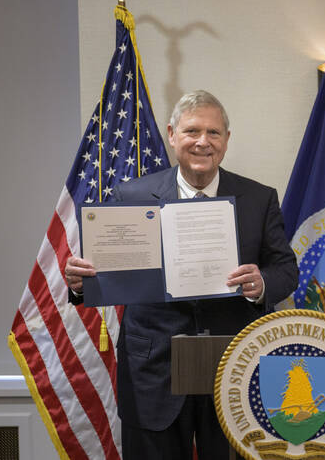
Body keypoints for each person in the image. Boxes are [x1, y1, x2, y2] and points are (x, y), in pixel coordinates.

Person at [64, 90, 299, 459]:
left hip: (232, 368)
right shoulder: (132, 195)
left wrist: (262, 283)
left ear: (226, 140)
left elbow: (286, 269)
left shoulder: (258, 197)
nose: (203, 142)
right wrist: (81, 282)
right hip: (152, 371)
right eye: (192, 131)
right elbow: (105, 270)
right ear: (172, 135)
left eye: (214, 133)